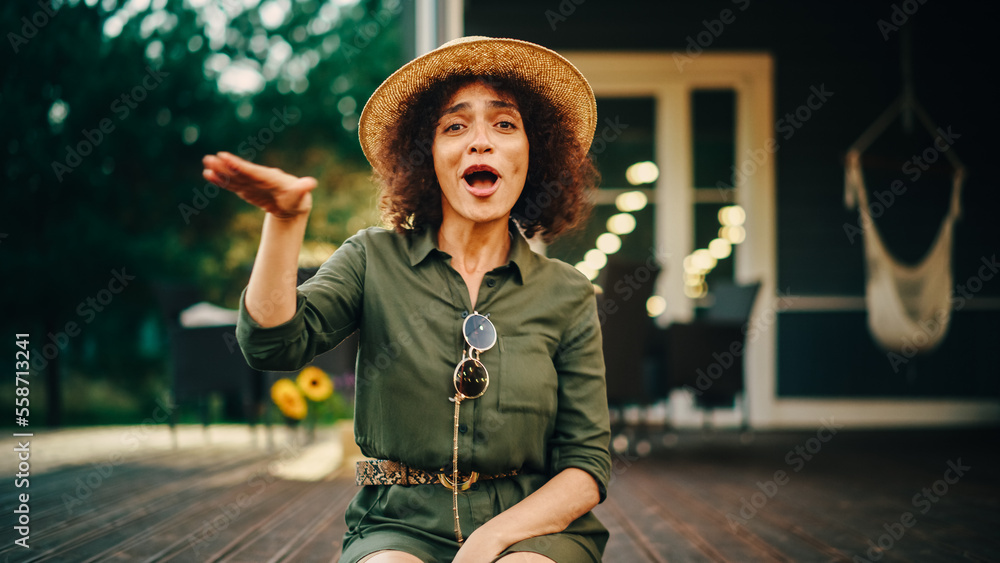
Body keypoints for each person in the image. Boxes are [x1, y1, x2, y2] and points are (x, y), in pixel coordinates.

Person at [202, 36, 611, 563]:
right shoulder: (372, 258)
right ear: (427, 158)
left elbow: (586, 464)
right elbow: (272, 346)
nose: (480, 141)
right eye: (455, 126)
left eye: (505, 125)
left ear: (534, 154)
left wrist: (489, 542)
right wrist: (284, 222)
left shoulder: (568, 293)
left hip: (533, 527)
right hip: (397, 524)